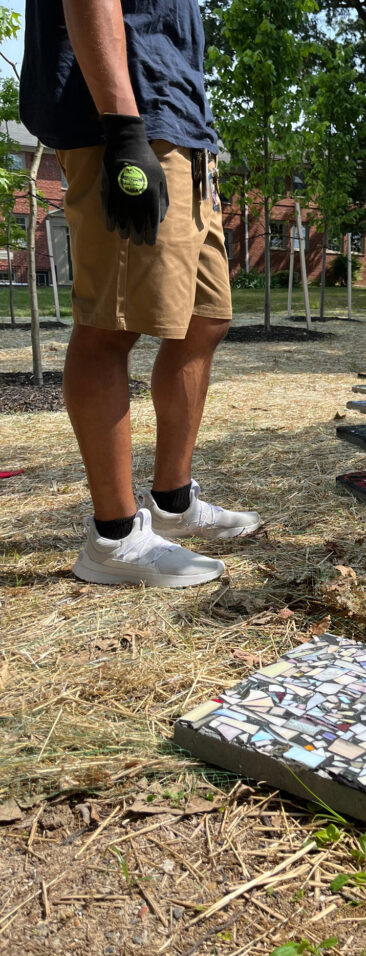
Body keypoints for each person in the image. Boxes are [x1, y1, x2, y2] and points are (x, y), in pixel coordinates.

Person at [20, 0, 260, 587]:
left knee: (206, 318)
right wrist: (124, 129)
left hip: (182, 130)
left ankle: (173, 501)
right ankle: (115, 537)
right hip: (127, 125)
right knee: (111, 326)